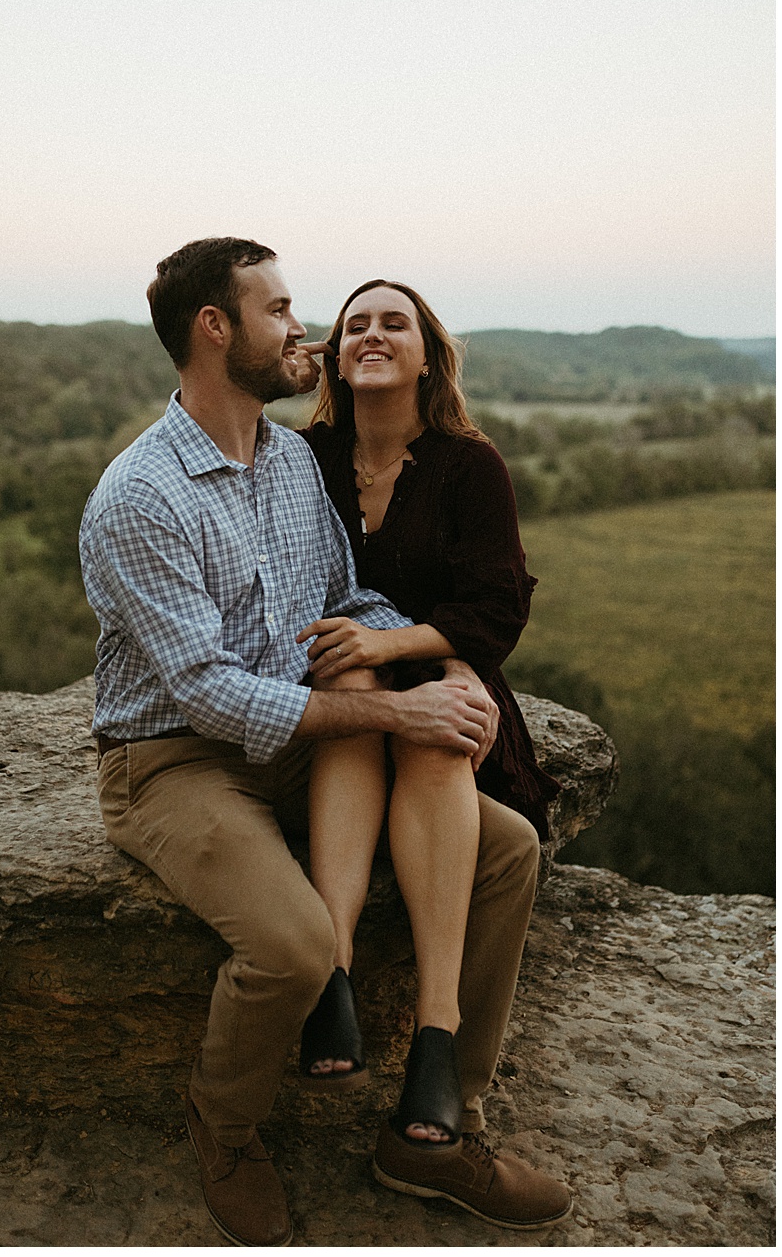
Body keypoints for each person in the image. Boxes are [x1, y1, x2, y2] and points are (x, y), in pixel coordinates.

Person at [78, 236, 571, 1245]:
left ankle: (439, 1125)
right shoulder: (139, 495)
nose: (300, 328)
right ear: (217, 330)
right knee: (295, 946)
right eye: (281, 310)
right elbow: (211, 693)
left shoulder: (292, 462)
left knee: (510, 846)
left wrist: (448, 667)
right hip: (174, 758)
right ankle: (226, 1131)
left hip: (304, 740)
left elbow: (346, 600)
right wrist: (395, 709)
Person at [292, 279, 562, 1164]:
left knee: (440, 734)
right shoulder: (304, 458)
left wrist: (407, 650)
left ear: (426, 353)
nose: (371, 333)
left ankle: (436, 1039)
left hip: (440, 682)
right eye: (354, 324)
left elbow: (495, 604)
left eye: (393, 322)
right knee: (364, 716)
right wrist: (360, 661)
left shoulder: (466, 464)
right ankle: (331, 973)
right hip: (338, 698)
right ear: (335, 354)